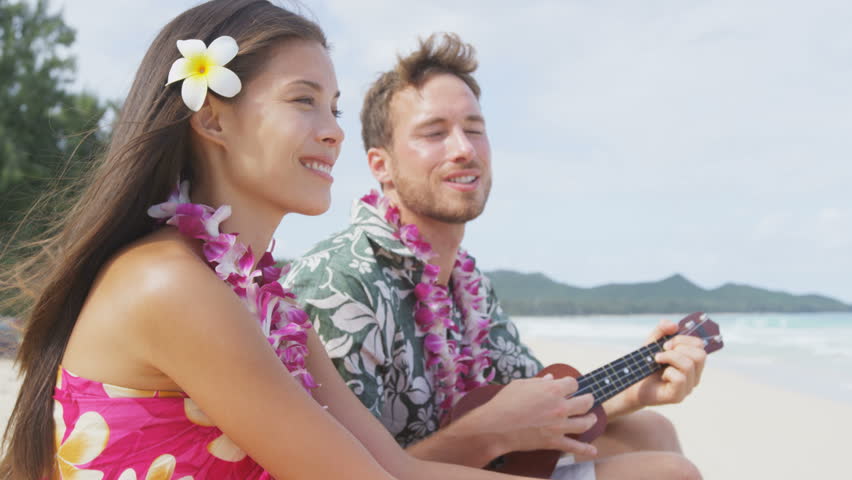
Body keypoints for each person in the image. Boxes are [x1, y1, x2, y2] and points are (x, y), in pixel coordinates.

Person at [0, 3, 561, 480]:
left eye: (335, 106)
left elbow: (398, 468)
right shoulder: (167, 284)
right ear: (214, 119)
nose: (334, 129)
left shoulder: (266, 301)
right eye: (303, 100)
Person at [284, 33, 708, 480]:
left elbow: (542, 409)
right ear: (380, 165)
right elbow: (338, 469)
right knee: (667, 472)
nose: (463, 149)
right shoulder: (341, 282)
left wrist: (638, 388)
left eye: (474, 129)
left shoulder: (467, 283)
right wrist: (489, 434)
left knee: (647, 429)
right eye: (434, 133)